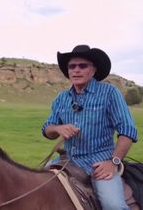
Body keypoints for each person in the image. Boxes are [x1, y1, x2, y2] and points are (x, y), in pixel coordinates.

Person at [41, 45, 138, 210]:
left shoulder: (109, 93)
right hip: (68, 160)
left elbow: (127, 131)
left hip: (100, 163)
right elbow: (47, 129)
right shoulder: (61, 98)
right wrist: (58, 129)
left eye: (82, 66)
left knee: (113, 205)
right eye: (72, 66)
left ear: (93, 70)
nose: (76, 70)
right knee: (34, 186)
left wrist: (113, 162)